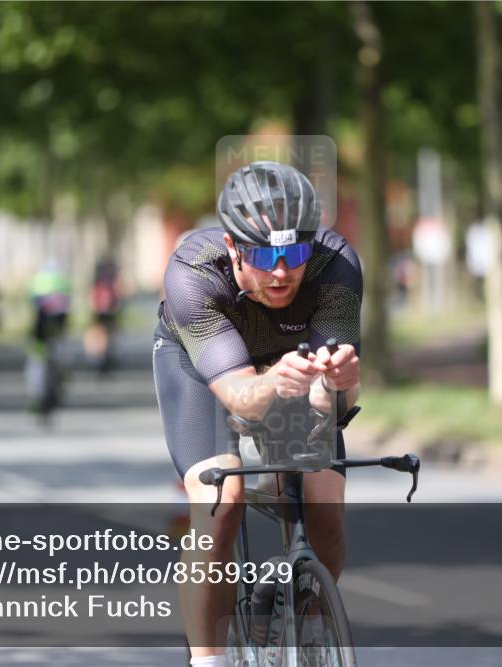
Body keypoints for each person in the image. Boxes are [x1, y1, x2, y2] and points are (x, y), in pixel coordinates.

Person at [152, 161, 363, 666]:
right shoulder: (193, 273)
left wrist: (340, 385)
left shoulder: (334, 264)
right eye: (262, 255)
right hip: (207, 370)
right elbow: (241, 397)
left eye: (293, 253)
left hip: (284, 369)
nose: (280, 271)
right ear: (231, 247)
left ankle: (307, 630)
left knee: (323, 497)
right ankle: (208, 660)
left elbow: (332, 408)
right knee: (221, 499)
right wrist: (275, 381)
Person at [26, 260, 72, 415]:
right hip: (53, 333)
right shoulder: (63, 282)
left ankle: (36, 395)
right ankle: (60, 379)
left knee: (36, 362)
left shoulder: (37, 281)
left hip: (41, 332)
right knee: (58, 357)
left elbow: (31, 304)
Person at [84, 255, 122, 376]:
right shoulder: (109, 279)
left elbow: (93, 296)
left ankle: (101, 358)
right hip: (108, 311)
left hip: (101, 311)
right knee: (107, 336)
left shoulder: (98, 280)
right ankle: (103, 358)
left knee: (103, 336)